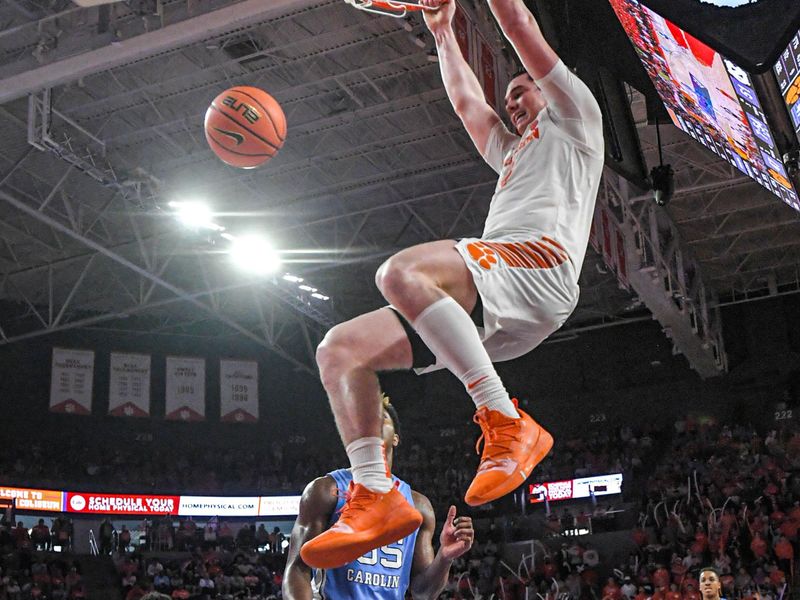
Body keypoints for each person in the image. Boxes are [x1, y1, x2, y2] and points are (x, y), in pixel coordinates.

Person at [303, 0, 604, 569]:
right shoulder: (515, 155)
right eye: (509, 95)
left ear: (549, 89)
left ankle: (506, 421)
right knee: (339, 351)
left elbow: (518, 23)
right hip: (497, 305)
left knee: (401, 273)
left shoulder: (577, 120)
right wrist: (442, 29)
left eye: (522, 90)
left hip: (539, 265)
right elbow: (469, 105)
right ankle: (375, 496)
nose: (513, 100)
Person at [284, 396, 475, 595]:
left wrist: (444, 557)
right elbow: (297, 569)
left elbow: (423, 592)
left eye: (380, 418)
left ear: (396, 437)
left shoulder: (419, 506)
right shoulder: (326, 490)